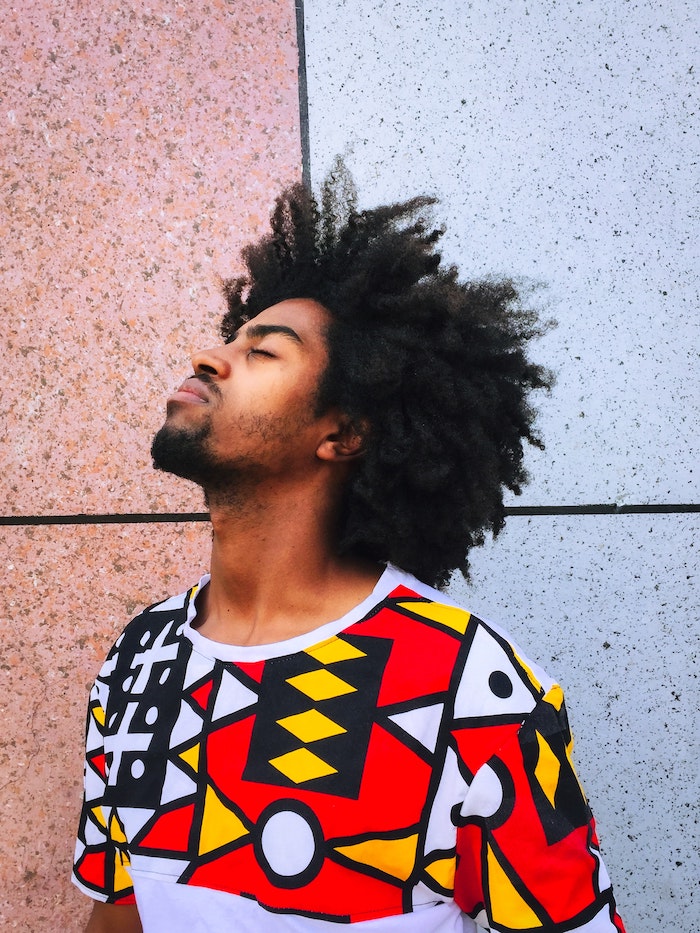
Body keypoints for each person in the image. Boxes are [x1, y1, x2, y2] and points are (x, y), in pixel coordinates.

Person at [72, 163, 626, 932]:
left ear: (344, 432)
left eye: (264, 351)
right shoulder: (142, 656)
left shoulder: (471, 689)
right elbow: (121, 911)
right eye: (233, 337)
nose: (209, 356)